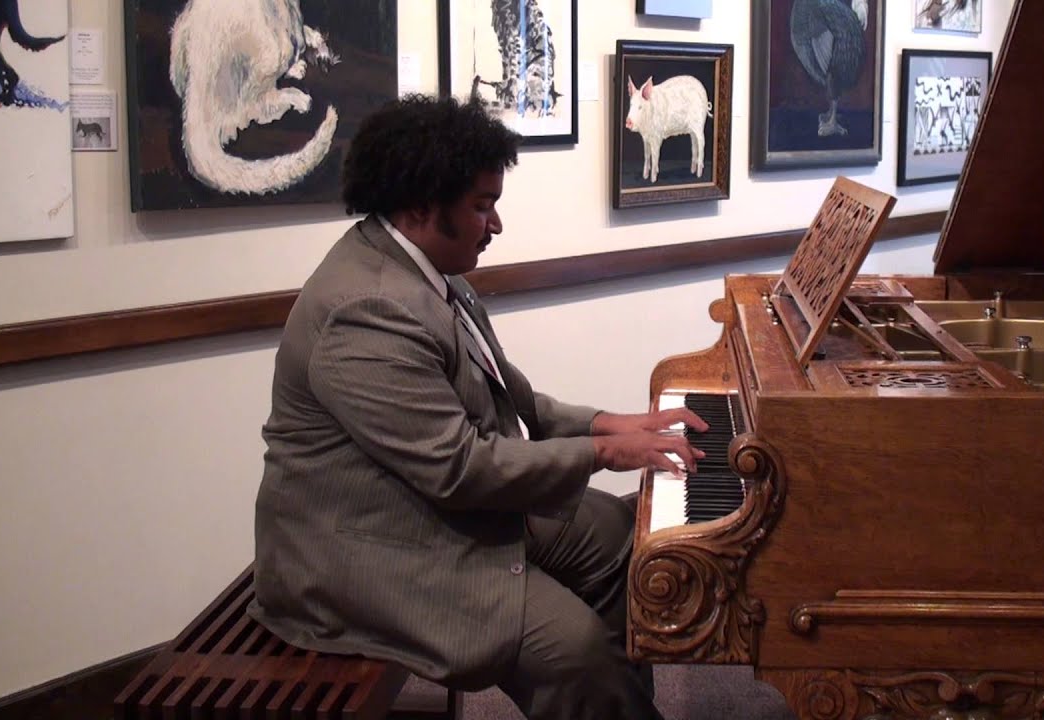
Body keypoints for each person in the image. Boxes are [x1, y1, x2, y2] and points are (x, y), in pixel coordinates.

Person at [248, 93, 709, 720]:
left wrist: (610, 423)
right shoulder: (367, 310)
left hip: (425, 503)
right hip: (363, 550)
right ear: (420, 205)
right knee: (575, 652)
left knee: (619, 539)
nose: (496, 225)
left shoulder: (432, 275)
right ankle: (599, 690)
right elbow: (459, 467)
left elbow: (513, 397)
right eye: (482, 205)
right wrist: (603, 451)